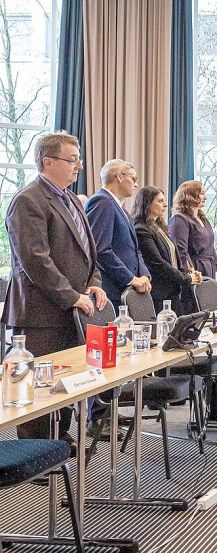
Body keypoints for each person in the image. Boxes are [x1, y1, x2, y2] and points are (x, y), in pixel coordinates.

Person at [1, 131, 107, 440]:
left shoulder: (71, 197)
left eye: (79, 160)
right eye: (72, 160)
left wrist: (94, 283)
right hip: (40, 314)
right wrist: (72, 296)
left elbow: (88, 251)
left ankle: (58, 444)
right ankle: (35, 455)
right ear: (48, 162)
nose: (79, 166)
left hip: (71, 311)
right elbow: (36, 260)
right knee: (38, 390)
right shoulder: (27, 200)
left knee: (65, 384)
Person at [85, 159, 152, 309]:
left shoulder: (122, 210)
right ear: (119, 177)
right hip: (112, 289)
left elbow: (135, 250)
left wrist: (144, 275)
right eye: (133, 179)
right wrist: (131, 279)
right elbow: (101, 249)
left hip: (127, 289)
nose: (135, 185)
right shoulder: (102, 201)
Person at [132, 185, 202, 315]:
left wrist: (187, 275)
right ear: (147, 204)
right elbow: (157, 263)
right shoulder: (141, 229)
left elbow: (174, 258)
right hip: (159, 293)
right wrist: (186, 279)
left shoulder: (159, 226)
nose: (165, 205)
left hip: (172, 291)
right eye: (160, 201)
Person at [168, 180, 217, 285]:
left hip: (208, 269)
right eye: (202, 193)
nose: (205, 197)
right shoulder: (180, 218)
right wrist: (192, 274)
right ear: (190, 195)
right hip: (194, 271)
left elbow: (211, 250)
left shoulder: (202, 218)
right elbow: (181, 252)